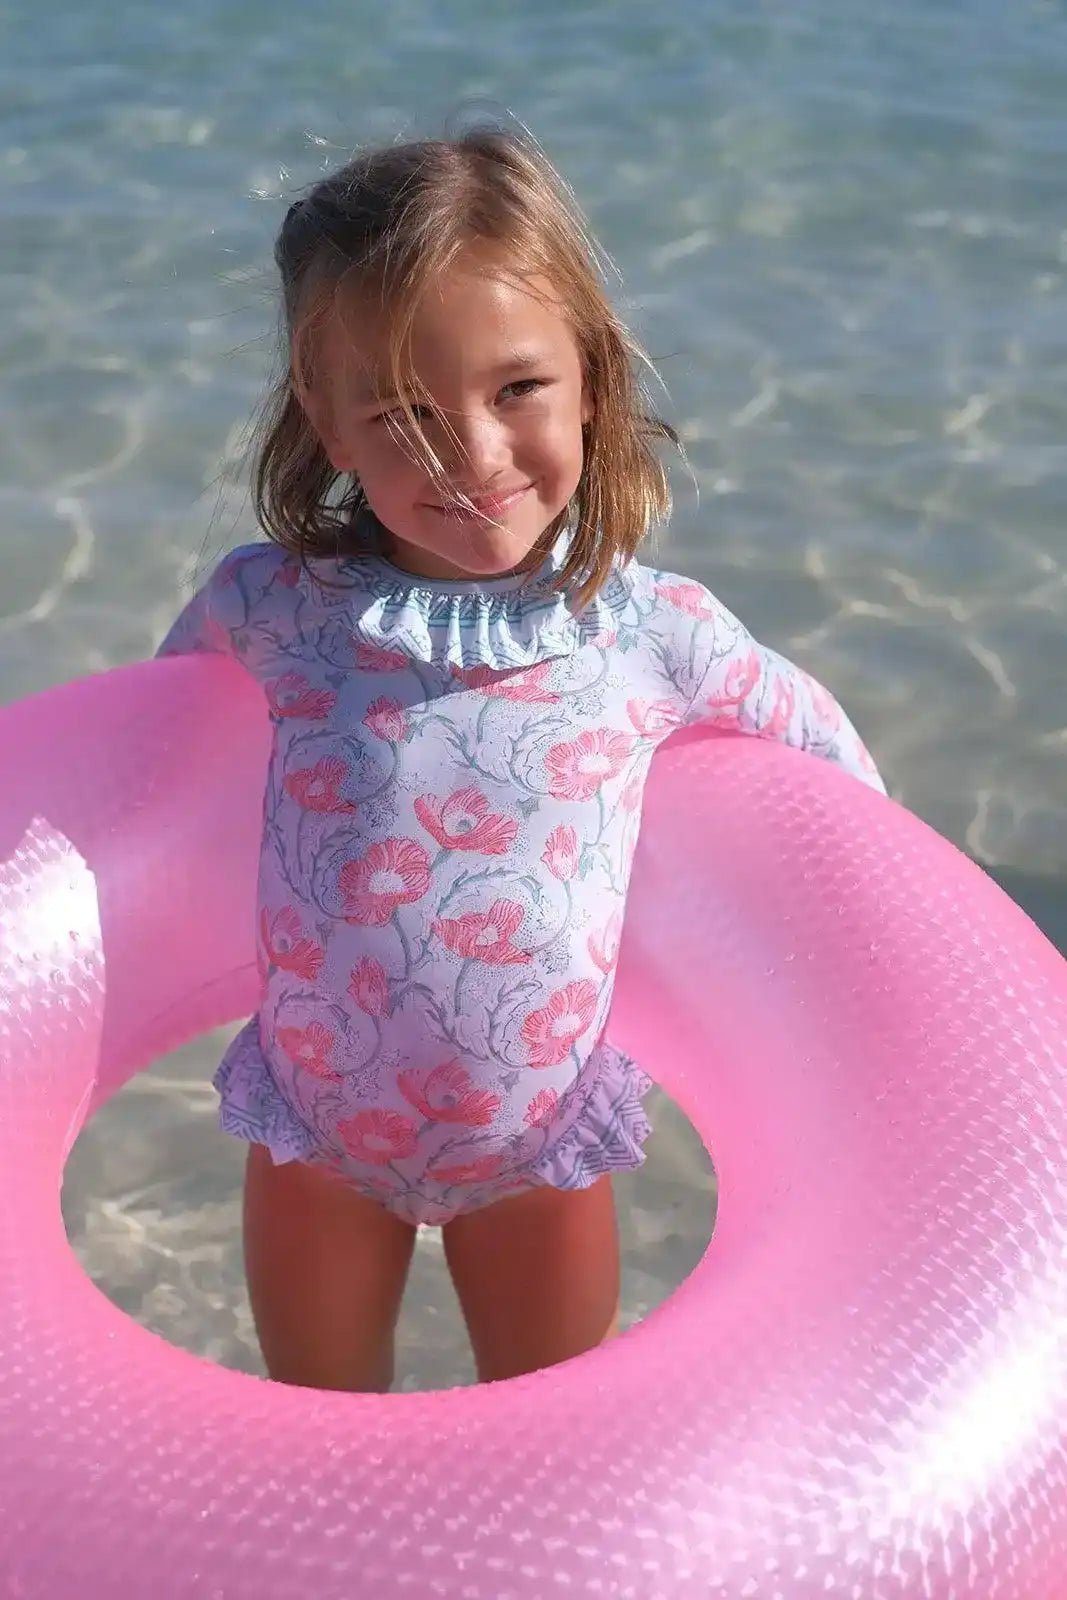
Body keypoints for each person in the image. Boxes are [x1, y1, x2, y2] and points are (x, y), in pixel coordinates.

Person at [157, 125, 885, 1393]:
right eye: (401, 412)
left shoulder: (660, 634)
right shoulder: (267, 607)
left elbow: (842, 791)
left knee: (549, 1437)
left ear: (591, 378)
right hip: (315, 1139)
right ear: (323, 418)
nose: (475, 459)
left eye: (516, 391)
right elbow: (141, 769)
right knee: (315, 1435)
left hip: (536, 1157)